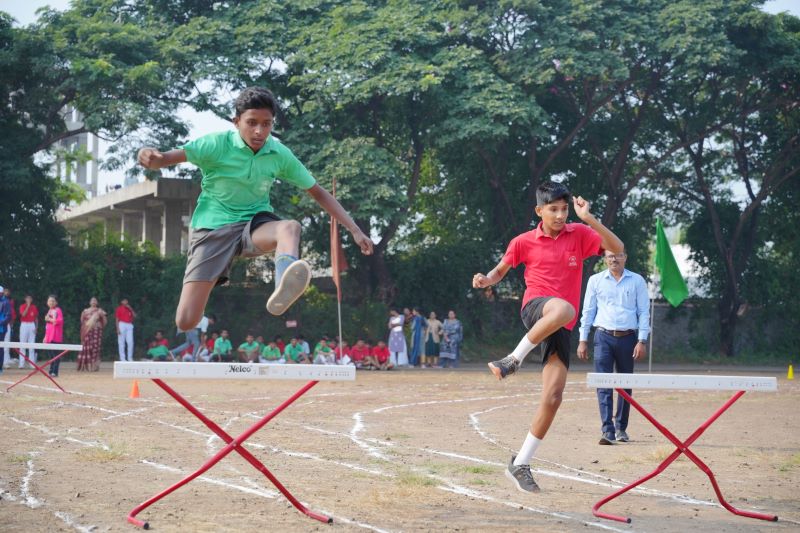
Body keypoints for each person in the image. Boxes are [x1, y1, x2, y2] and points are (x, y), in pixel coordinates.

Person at [137, 87, 373, 336]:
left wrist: (355, 230)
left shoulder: (278, 153)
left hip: (253, 226)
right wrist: (150, 156)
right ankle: (200, 303)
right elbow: (165, 158)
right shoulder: (216, 144)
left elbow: (318, 192)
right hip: (212, 229)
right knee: (185, 321)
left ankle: (283, 282)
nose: (259, 131)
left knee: (290, 227)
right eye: (251, 123)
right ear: (236, 121)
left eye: (266, 124)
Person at [472, 181, 623, 493]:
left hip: (561, 325)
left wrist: (589, 219)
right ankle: (513, 359)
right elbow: (502, 270)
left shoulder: (580, 235)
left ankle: (520, 463)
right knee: (566, 308)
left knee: (553, 397)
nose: (560, 215)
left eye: (564, 209)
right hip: (537, 309)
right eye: (553, 209)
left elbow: (617, 248)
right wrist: (487, 279)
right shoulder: (523, 241)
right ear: (539, 211)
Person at [578, 248, 650, 444]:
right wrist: (583, 339)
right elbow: (588, 311)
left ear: (625, 257)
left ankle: (621, 428)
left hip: (628, 338)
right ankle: (607, 430)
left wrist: (642, 340)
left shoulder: (637, 281)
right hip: (603, 337)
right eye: (610, 256)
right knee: (603, 383)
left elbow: (644, 312)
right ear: (605, 259)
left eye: (618, 255)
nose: (614, 259)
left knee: (626, 384)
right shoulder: (595, 281)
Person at [78, 297, 108, 372]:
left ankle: (94, 367)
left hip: (97, 331)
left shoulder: (100, 311)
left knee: (95, 347)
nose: (94, 302)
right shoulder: (85, 311)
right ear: (90, 302)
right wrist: (87, 326)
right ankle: (86, 366)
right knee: (87, 347)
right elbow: (82, 321)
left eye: (95, 301)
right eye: (92, 301)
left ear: (97, 303)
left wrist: (101, 318)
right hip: (87, 331)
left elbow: (105, 321)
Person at [43, 295, 65, 377]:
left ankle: (55, 372)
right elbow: (47, 326)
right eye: (49, 301)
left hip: (55, 336)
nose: (51, 302)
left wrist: (49, 319)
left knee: (55, 355)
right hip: (49, 336)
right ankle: (51, 370)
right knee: (51, 355)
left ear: (56, 302)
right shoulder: (49, 311)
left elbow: (59, 321)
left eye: (53, 301)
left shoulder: (58, 310)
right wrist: (45, 337)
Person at [17, 294, 39, 368]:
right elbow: (23, 315)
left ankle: (32, 364)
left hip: (32, 324)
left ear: (32, 299)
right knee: (22, 344)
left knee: (32, 345)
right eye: (27, 298)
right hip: (24, 325)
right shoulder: (22, 306)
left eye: (30, 298)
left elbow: (36, 318)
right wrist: (28, 306)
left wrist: (36, 327)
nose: (29, 300)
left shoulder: (34, 307)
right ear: (25, 299)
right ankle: (21, 364)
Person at [1, 287, 16, 368]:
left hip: (5, 326)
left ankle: (5, 362)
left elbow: (10, 315)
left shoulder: (9, 302)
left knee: (6, 344)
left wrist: (10, 323)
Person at [0, 287, 10, 373]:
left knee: (0, 348)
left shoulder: (6, 302)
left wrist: (0, 323)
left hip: (1, 329)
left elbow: (8, 316)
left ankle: (0, 367)